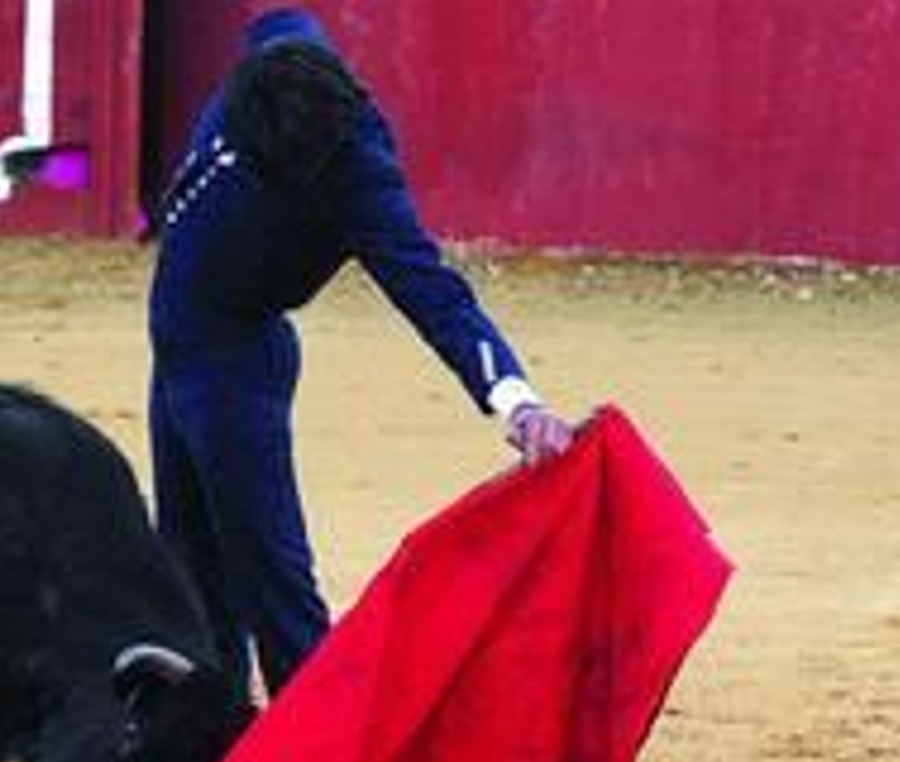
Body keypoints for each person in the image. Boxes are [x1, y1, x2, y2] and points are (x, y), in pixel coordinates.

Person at [142, 6, 576, 710]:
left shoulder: (359, 183)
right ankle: (210, 739)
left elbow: (436, 296)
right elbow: (281, 15)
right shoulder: (283, 54)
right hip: (181, 352)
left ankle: (319, 738)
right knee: (189, 565)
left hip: (230, 362)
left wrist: (516, 401)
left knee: (269, 575)